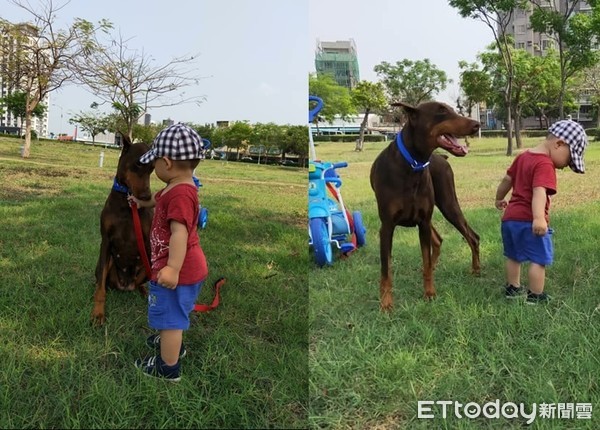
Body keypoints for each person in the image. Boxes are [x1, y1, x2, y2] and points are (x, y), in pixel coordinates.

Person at [129, 122, 208, 381]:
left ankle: (168, 367)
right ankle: (172, 344)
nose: (155, 170)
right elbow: (157, 199)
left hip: (179, 271)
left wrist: (172, 268)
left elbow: (180, 233)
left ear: (166, 162)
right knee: (172, 315)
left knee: (171, 319)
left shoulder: (182, 195)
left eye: (155, 166)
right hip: (183, 269)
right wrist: (142, 203)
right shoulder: (176, 187)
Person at [495, 120, 588, 304]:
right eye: (569, 159)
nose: (564, 166)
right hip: (529, 220)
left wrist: (498, 198)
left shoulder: (523, 156)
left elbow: (507, 179)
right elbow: (539, 191)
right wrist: (538, 218)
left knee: (513, 255)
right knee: (539, 258)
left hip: (510, 219)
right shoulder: (545, 164)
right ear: (559, 144)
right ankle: (535, 296)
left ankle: (512, 289)